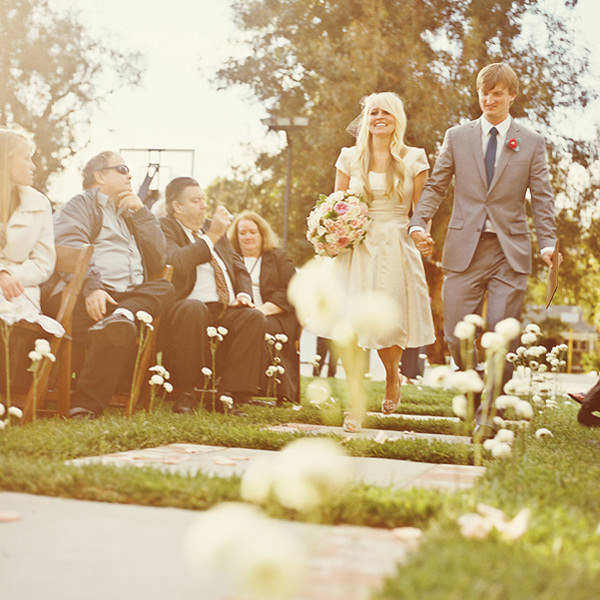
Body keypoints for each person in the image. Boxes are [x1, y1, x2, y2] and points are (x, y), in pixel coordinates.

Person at [409, 62, 558, 437]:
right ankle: (475, 402)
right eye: (484, 92)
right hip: (465, 250)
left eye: (497, 92)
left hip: (510, 251)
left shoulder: (531, 141)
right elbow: (437, 185)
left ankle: (489, 414)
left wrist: (549, 241)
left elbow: (542, 196)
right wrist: (417, 222)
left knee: (501, 335)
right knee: (457, 337)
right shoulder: (457, 137)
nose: (489, 99)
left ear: (511, 95)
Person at [332, 91, 436, 429]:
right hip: (357, 245)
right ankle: (355, 404)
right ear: (366, 119)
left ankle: (392, 374)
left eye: (386, 113)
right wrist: (331, 234)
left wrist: (422, 236)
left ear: (397, 119)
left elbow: (421, 211)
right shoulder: (348, 157)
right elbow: (336, 205)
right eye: (373, 112)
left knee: (389, 322)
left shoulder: (415, 158)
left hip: (395, 243)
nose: (379, 117)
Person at [53, 151, 174, 418]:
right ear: (99, 176)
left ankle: (122, 315)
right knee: (117, 326)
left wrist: (142, 213)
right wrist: (92, 287)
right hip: (88, 295)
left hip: (126, 300)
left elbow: (157, 260)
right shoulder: (80, 205)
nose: (129, 175)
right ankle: (85, 405)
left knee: (164, 287)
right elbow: (70, 246)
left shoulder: (130, 213)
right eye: (121, 168)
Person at [159, 178, 264, 413]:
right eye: (196, 201)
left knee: (253, 317)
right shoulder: (166, 227)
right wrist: (213, 235)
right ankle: (185, 393)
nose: (204, 206)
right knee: (193, 309)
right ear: (177, 206)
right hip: (185, 305)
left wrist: (245, 294)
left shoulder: (212, 228)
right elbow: (176, 261)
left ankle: (228, 395)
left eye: (204, 200)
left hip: (224, 306)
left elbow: (238, 266)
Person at [0, 127, 62, 394]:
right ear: (6, 159)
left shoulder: (39, 203)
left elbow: (44, 263)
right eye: (26, 158)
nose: (33, 166)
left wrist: (10, 276)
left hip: (19, 292)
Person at [228, 210, 300, 403]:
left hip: (276, 314)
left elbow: (291, 289)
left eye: (252, 232)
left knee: (261, 325)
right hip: (240, 313)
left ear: (262, 234)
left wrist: (262, 310)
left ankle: (255, 389)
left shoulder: (278, 257)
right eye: (242, 233)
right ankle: (230, 387)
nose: (248, 236)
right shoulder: (229, 258)